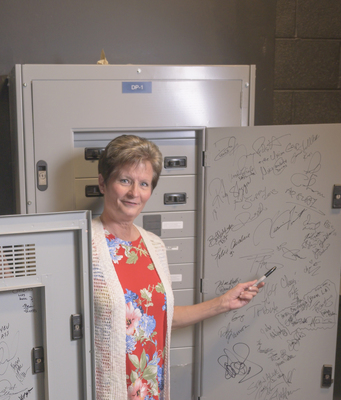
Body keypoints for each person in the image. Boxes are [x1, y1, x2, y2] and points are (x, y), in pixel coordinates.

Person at [92, 135, 263, 400]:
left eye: (144, 184)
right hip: (106, 392)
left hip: (151, 391)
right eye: (124, 180)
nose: (134, 193)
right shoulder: (85, 246)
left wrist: (223, 303)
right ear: (103, 183)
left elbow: (163, 316)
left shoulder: (154, 246)